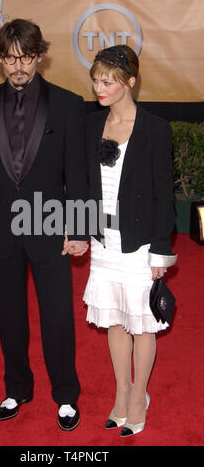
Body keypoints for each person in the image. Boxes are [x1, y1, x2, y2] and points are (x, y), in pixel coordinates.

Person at [0, 19, 88, 431]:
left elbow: (78, 174)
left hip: (50, 225)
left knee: (57, 317)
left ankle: (66, 395)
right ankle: (17, 387)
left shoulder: (68, 104)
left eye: (27, 57)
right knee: (8, 315)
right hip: (0, 227)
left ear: (39, 56)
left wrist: (81, 227)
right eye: (11, 58)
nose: (19, 66)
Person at [83, 45, 177, 437]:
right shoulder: (89, 125)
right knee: (115, 320)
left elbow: (162, 193)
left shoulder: (154, 128)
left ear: (130, 82)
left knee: (142, 324)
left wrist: (161, 248)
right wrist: (79, 231)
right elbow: (84, 186)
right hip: (104, 242)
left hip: (139, 244)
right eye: (95, 79)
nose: (98, 87)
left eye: (108, 81)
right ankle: (121, 393)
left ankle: (140, 395)